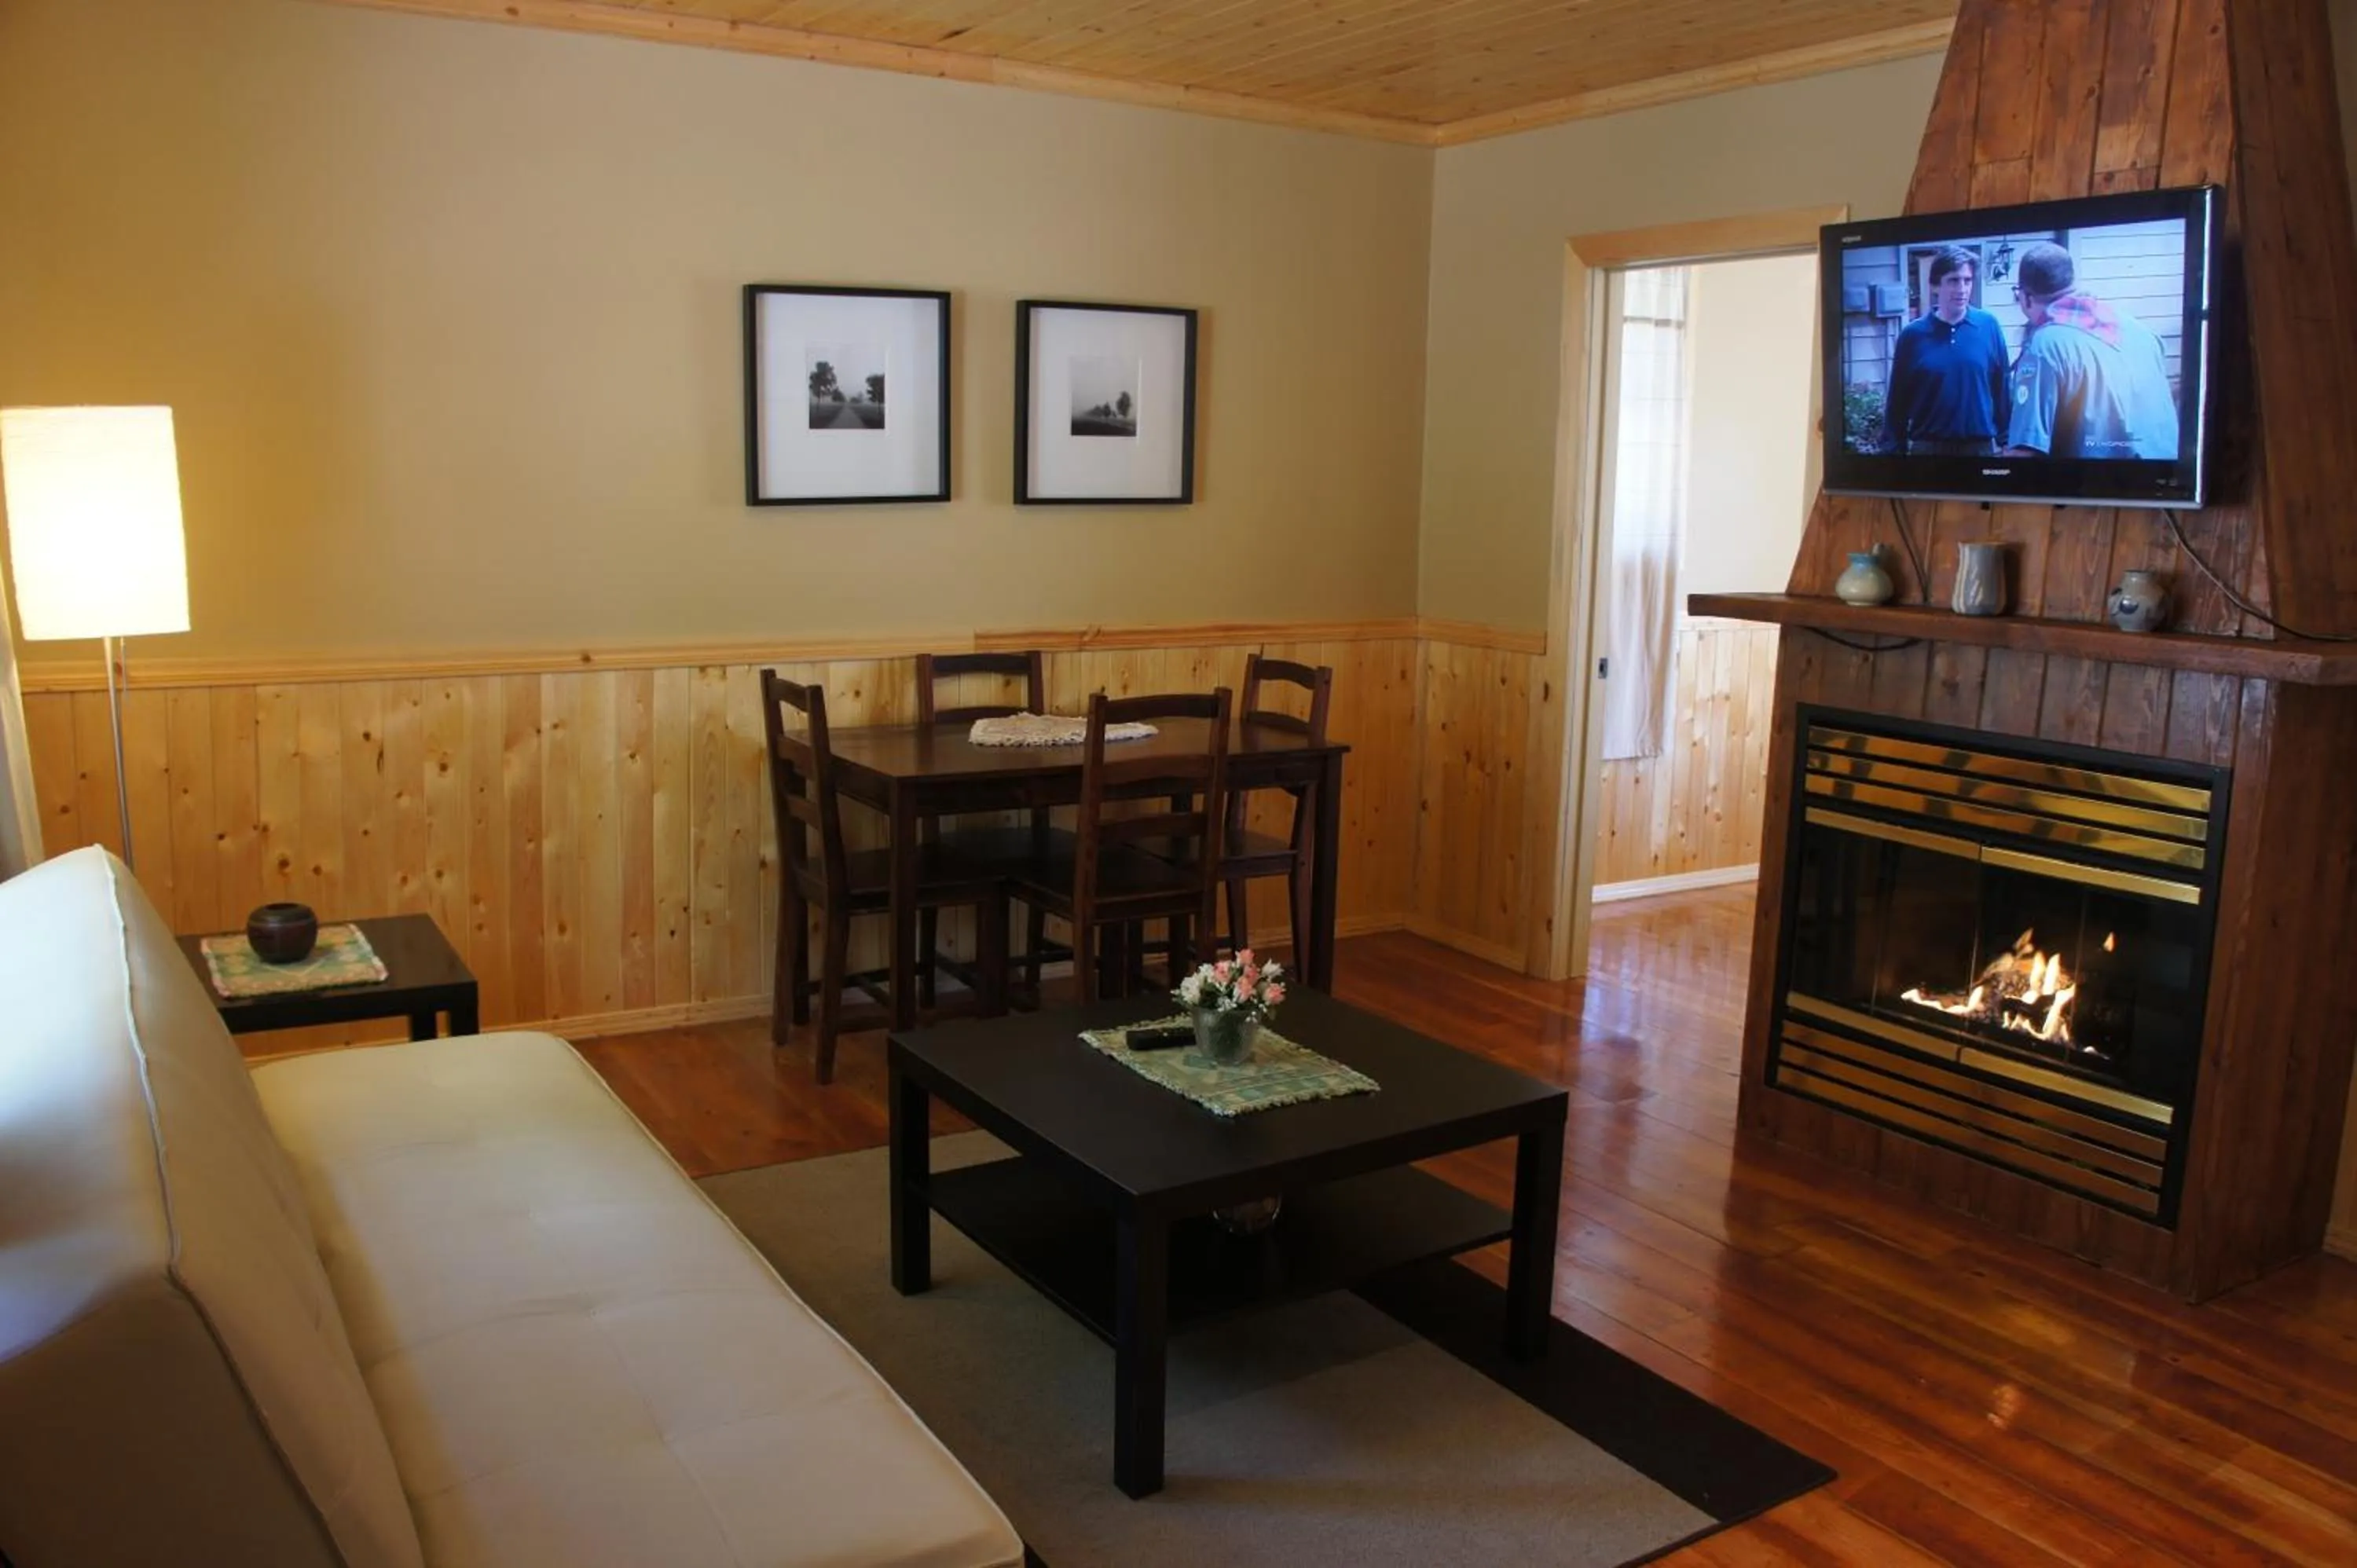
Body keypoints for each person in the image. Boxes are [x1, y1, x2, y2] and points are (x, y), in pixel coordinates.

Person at [2001, 240, 2180, 460]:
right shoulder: (2142, 331)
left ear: (2026, 297)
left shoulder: (2044, 346)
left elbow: (2027, 454)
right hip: (2164, 483)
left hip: (2099, 488)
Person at [1879, 246, 2011, 455]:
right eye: (1953, 280)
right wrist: (1894, 452)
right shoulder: (1913, 335)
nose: (1962, 289)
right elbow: (1897, 400)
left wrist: (2007, 440)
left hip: (1979, 449)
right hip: (1928, 451)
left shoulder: (1988, 326)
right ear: (1935, 286)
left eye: (1967, 281)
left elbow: (2002, 388)